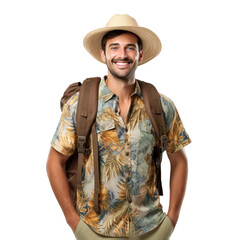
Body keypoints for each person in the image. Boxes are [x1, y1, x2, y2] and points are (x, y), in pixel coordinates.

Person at [46, 14, 191, 240]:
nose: (122, 55)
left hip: (151, 229)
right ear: (103, 54)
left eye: (130, 48)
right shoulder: (79, 105)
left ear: (140, 55)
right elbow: (55, 161)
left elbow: (179, 159)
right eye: (114, 47)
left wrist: (171, 220)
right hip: (95, 231)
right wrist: (74, 223)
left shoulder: (161, 106)